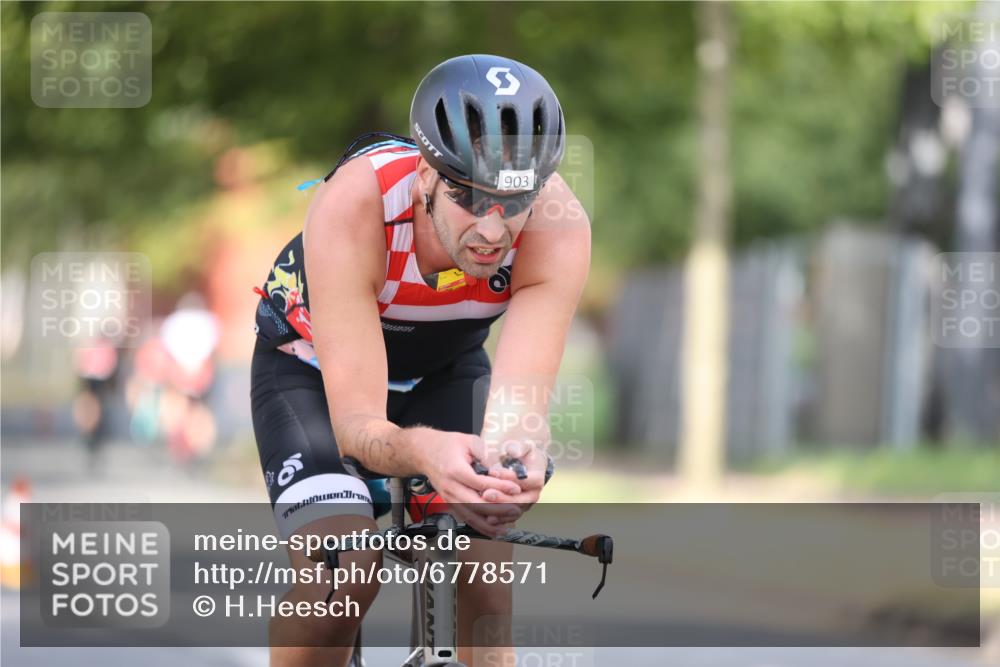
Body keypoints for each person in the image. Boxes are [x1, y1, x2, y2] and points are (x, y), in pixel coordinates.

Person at [251, 54, 590, 667]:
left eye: (515, 203)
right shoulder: (355, 203)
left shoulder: (559, 231)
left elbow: (517, 416)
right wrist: (424, 453)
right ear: (426, 173)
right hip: (312, 372)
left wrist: (517, 458)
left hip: (444, 371)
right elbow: (357, 427)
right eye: (470, 196)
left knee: (487, 573)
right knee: (342, 579)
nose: (493, 228)